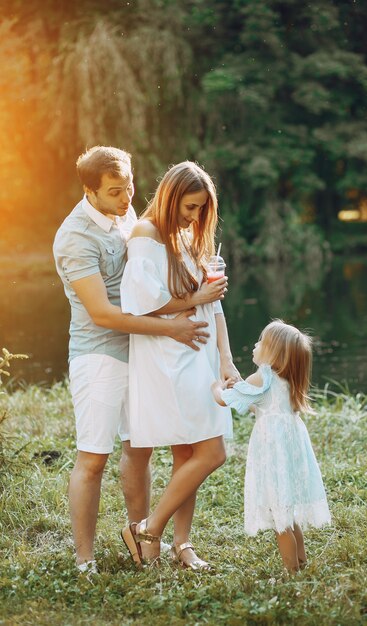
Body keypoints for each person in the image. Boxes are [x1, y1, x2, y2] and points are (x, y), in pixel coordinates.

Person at [53, 146, 213, 573]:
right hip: (100, 355)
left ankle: (140, 538)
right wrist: (173, 327)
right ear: (90, 191)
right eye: (115, 193)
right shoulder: (74, 237)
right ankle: (84, 560)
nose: (127, 200)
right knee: (93, 458)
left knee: (139, 450)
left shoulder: (129, 220)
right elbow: (103, 314)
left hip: (141, 353)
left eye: (129, 188)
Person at [119, 161, 240, 569]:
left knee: (188, 453)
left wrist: (226, 358)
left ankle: (181, 544)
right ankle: (149, 529)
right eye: (190, 207)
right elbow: (141, 302)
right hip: (169, 357)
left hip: (201, 354)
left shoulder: (185, 236)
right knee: (212, 451)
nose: (195, 216)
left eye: (201, 209)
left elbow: (214, 305)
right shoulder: (146, 236)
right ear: (171, 197)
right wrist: (195, 301)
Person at [212, 319, 331, 573]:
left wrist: (216, 387)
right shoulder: (288, 380)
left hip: (273, 454)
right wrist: (242, 385)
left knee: (280, 521)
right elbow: (259, 403)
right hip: (290, 452)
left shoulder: (261, 377)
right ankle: (301, 562)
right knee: (287, 513)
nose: (255, 345)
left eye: (260, 342)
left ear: (273, 353)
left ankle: (292, 574)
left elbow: (225, 401)